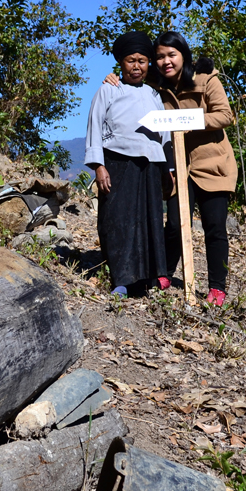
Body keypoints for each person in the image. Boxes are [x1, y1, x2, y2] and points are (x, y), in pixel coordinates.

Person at [103, 32, 237, 306]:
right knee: (174, 223)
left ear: (184, 56)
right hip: (179, 165)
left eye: (171, 55)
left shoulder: (206, 80)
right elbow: (132, 73)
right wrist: (112, 76)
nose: (166, 61)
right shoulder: (156, 85)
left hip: (213, 165)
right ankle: (164, 273)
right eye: (160, 56)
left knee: (214, 228)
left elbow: (225, 115)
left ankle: (217, 288)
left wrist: (189, 121)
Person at [85, 31, 171, 297]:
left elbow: (165, 135)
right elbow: (94, 127)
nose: (136, 66)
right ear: (120, 63)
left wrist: (169, 170)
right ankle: (121, 279)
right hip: (117, 163)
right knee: (117, 219)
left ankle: (152, 277)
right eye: (131, 61)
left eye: (142, 61)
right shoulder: (109, 90)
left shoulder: (154, 95)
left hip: (151, 167)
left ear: (149, 64)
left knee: (150, 220)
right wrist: (99, 165)